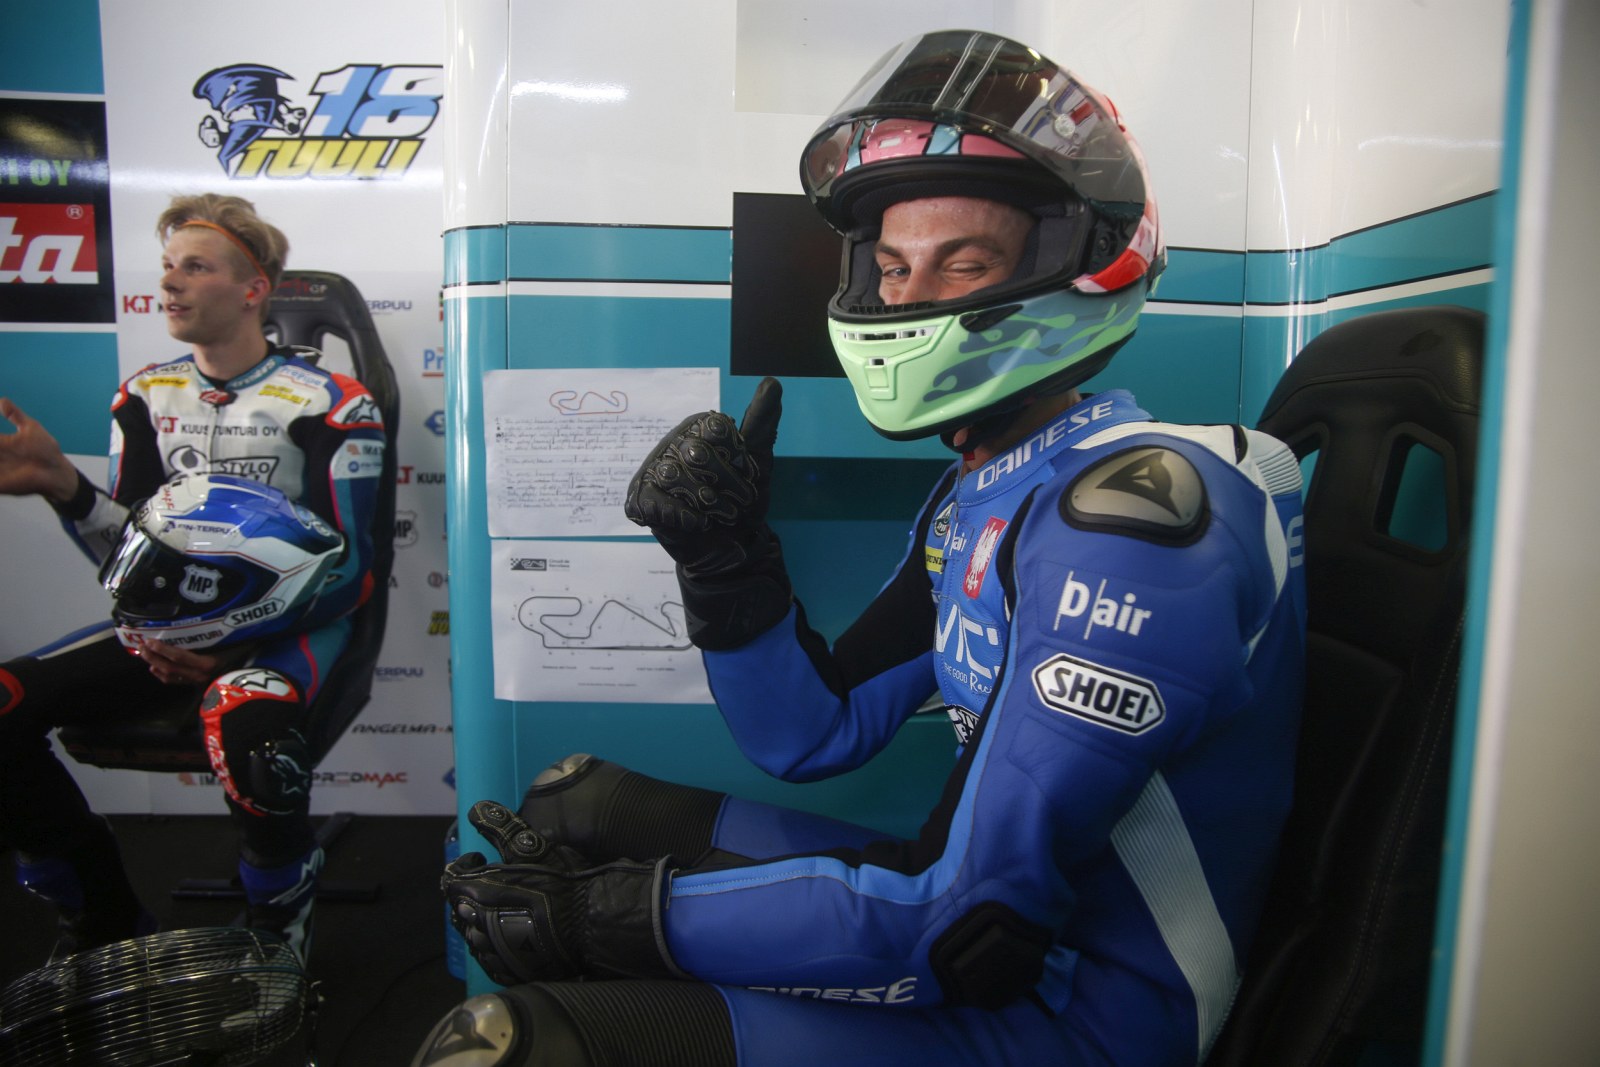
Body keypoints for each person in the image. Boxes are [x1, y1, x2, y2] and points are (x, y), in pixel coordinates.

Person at [425, 29, 1306, 1067]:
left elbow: (958, 922)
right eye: (892, 266)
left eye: (962, 261)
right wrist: (723, 562)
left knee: (509, 1048)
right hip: (994, 927)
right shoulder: (989, 487)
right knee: (573, 802)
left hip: (1087, 1013)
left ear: (1082, 264)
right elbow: (813, 732)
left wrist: (604, 919)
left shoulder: (1132, 520)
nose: (908, 297)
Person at [0, 192, 386, 962]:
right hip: (165, 634)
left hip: (287, 633)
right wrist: (62, 485)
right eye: (168, 265)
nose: (170, 282)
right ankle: (102, 917)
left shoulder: (333, 403)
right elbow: (130, 558)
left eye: (196, 266)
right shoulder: (144, 395)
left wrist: (225, 646)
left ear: (253, 289)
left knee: (247, 723)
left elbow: (351, 570)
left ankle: (277, 932)